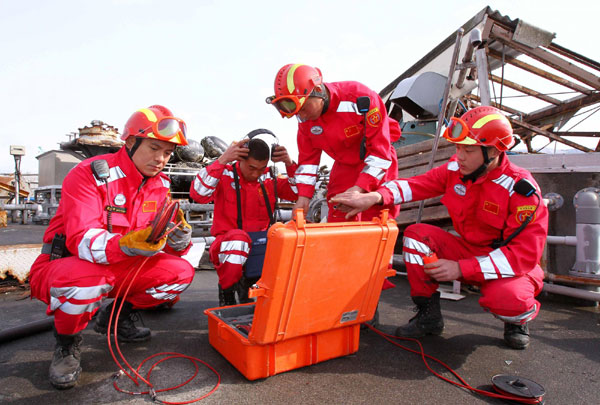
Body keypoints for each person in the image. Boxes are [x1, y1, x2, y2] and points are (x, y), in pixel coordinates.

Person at [331, 106, 548, 350]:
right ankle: (429, 316)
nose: (460, 156)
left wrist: (461, 268)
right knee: (416, 236)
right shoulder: (457, 169)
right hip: (469, 249)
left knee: (508, 299)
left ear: (494, 151)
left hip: (512, 265)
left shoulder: (521, 189)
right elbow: (416, 185)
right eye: (457, 148)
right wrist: (374, 197)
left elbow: (524, 255)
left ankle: (517, 322)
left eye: (468, 150)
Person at [29, 105, 196, 389]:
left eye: (167, 153)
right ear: (130, 142)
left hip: (119, 268)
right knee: (86, 282)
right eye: (154, 148)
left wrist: (179, 240)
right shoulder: (89, 175)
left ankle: (117, 318)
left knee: (180, 273)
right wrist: (129, 244)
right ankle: (67, 344)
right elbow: (80, 240)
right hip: (69, 266)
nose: (160, 159)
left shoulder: (161, 185)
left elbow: (161, 249)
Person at [266, 63, 401, 223]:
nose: (301, 116)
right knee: (337, 211)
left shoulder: (360, 98)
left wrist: (360, 188)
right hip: (344, 164)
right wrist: (303, 197)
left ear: (317, 91)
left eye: (303, 108)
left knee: (374, 216)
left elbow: (380, 152)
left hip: (375, 161)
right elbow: (308, 162)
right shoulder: (305, 120)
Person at [190, 129, 298, 306]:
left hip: (260, 246)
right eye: (252, 168)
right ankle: (228, 294)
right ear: (240, 158)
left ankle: (258, 290)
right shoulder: (223, 174)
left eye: (261, 168)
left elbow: (298, 192)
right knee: (239, 240)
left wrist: (289, 163)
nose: (256, 173)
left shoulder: (269, 178)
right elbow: (198, 194)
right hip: (228, 243)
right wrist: (223, 159)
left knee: (290, 238)